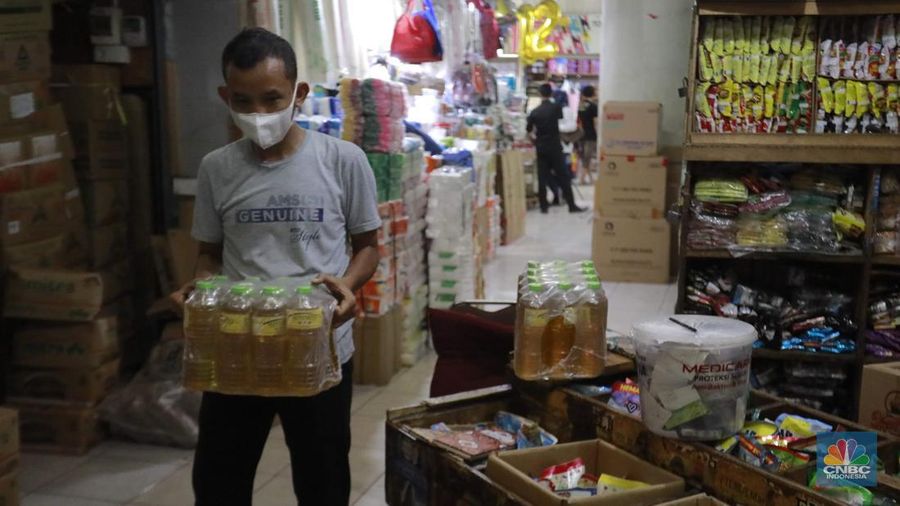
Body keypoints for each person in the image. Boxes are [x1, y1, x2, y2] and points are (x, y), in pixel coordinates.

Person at [169, 28, 381, 506]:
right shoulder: (216, 168)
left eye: (271, 99)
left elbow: (368, 245)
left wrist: (347, 286)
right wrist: (202, 292)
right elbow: (208, 254)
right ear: (225, 96)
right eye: (243, 101)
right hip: (237, 348)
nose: (259, 114)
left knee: (323, 480)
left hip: (319, 347)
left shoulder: (343, 161)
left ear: (298, 94)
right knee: (219, 481)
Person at [527, 83, 585, 214]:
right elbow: (560, 123)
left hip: (541, 147)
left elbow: (529, 130)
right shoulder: (556, 108)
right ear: (551, 94)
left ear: (540, 94)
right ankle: (571, 205)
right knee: (563, 176)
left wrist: (535, 141)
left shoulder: (534, 112)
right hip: (554, 146)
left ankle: (544, 207)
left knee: (542, 177)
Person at [577, 85, 599, 185]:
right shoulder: (593, 106)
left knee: (584, 157)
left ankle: (590, 178)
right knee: (588, 157)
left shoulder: (580, 106)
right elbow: (595, 122)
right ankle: (582, 179)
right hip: (591, 135)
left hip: (581, 135)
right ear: (592, 93)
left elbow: (579, 122)